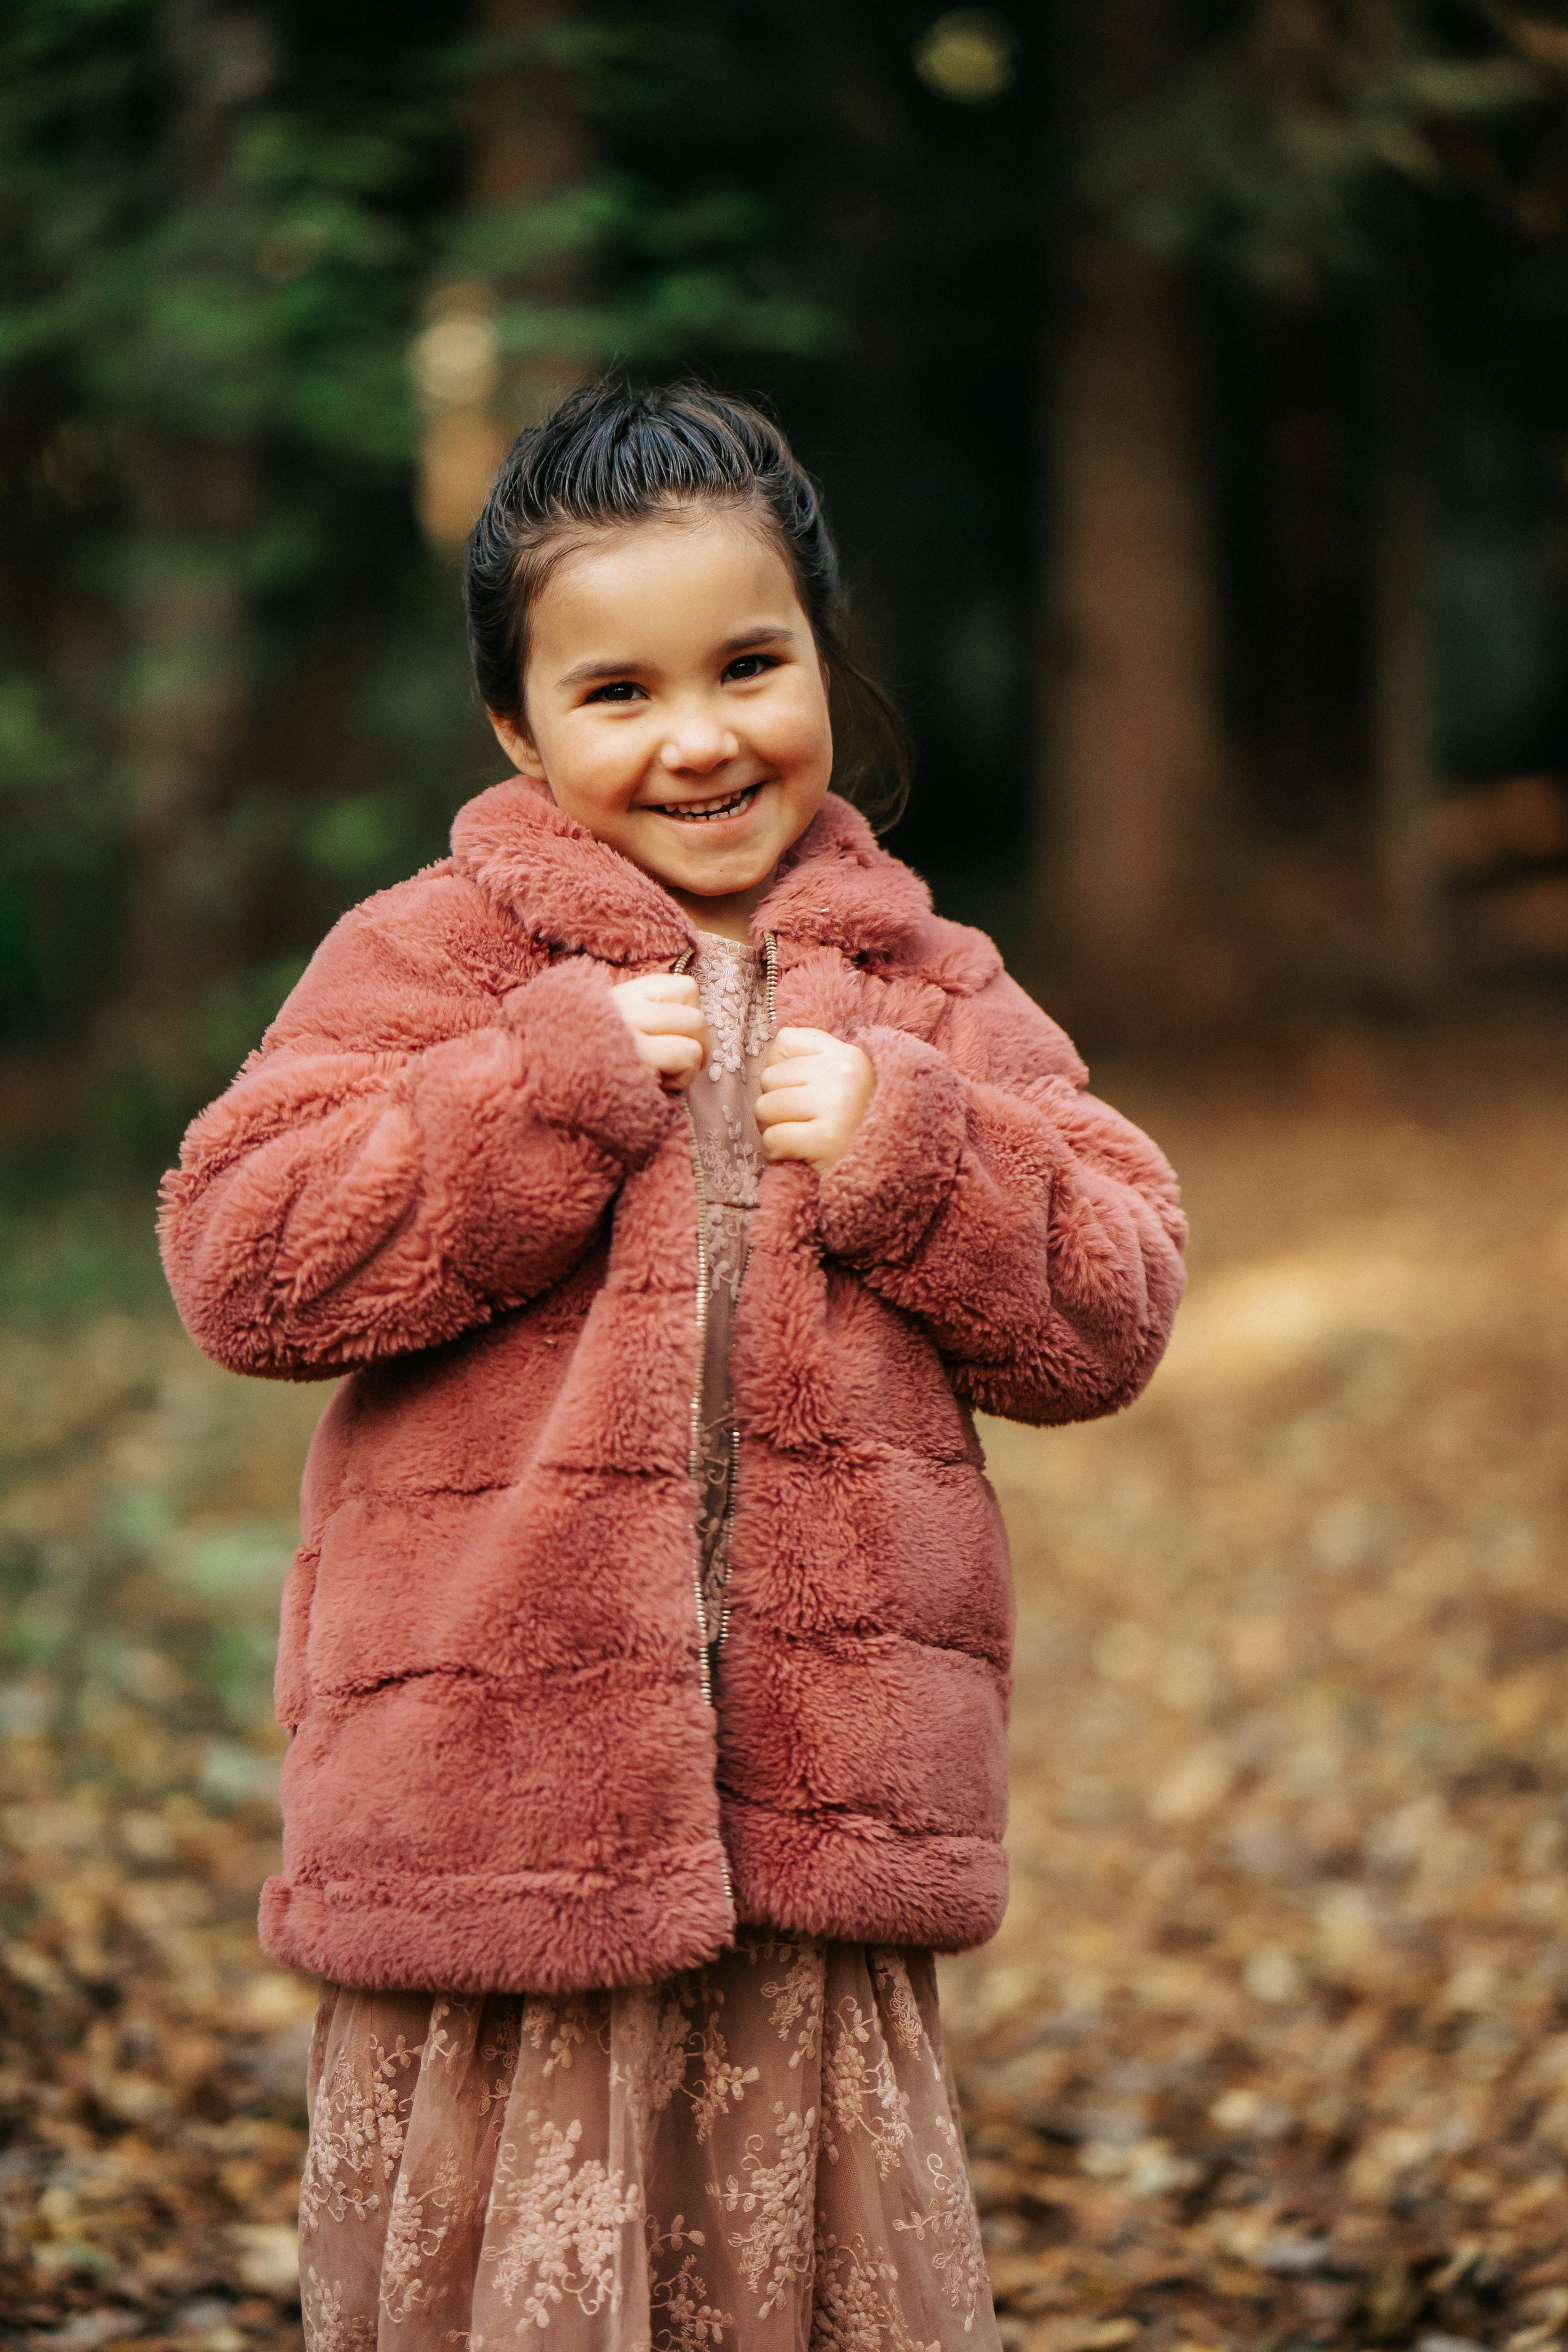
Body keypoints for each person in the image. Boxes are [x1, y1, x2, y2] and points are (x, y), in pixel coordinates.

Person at [160, 380, 1187, 2352]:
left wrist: (916, 1146)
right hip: (489, 1827)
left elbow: (1115, 1307)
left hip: (815, 1836)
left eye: (748, 666)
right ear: (516, 729)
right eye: (617, 691)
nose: (700, 738)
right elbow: (243, 1261)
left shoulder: (931, 992)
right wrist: (536, 1089)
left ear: (823, 659)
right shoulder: (432, 962)